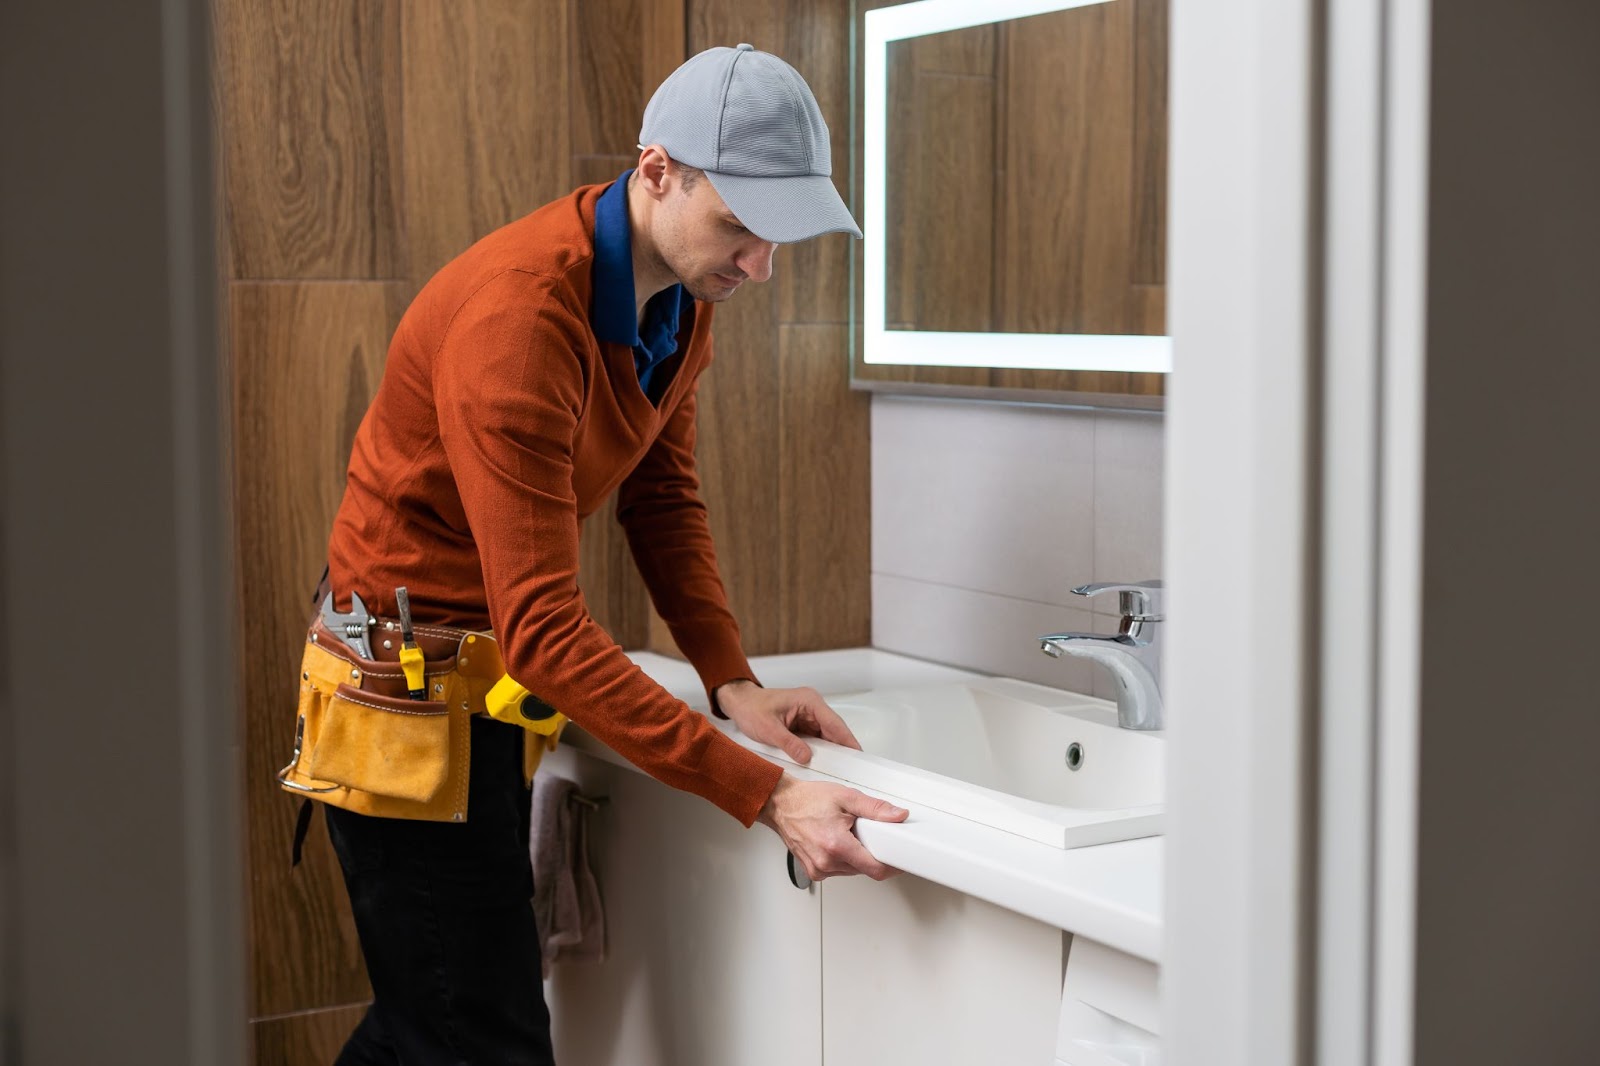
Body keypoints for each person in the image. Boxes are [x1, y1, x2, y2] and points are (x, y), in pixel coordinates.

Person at [285, 43, 909, 1065]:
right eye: (743, 227)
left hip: (476, 689)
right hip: (400, 701)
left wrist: (732, 680)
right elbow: (540, 629)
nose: (761, 265)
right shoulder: (519, 318)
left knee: (438, 1022)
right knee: (471, 1032)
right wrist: (767, 792)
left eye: (780, 235)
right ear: (657, 169)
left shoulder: (677, 294)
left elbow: (660, 496)